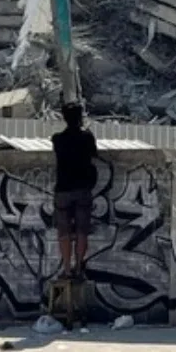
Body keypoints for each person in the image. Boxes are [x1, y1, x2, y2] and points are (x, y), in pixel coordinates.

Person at [52, 102, 99, 279]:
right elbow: (94, 155)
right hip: (83, 189)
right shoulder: (87, 137)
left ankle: (66, 268)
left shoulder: (58, 139)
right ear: (80, 118)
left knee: (63, 232)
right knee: (81, 231)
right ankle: (79, 267)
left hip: (63, 190)